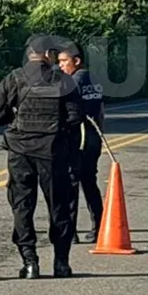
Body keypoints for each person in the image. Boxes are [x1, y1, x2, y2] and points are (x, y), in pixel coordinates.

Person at [0, 34, 82, 279]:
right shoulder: (62, 80)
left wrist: (15, 119)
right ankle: (61, 263)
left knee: (22, 206)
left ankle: (29, 263)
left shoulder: (15, 78)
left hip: (20, 151)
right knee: (59, 207)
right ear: (48, 56)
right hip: (53, 153)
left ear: (29, 55)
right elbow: (75, 117)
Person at [56, 44, 105, 244]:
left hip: (79, 138)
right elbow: (100, 109)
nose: (60, 66)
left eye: (64, 61)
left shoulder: (72, 82)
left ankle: (70, 230)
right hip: (94, 137)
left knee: (71, 183)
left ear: (76, 61)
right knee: (90, 182)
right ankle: (99, 225)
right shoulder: (95, 80)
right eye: (58, 62)